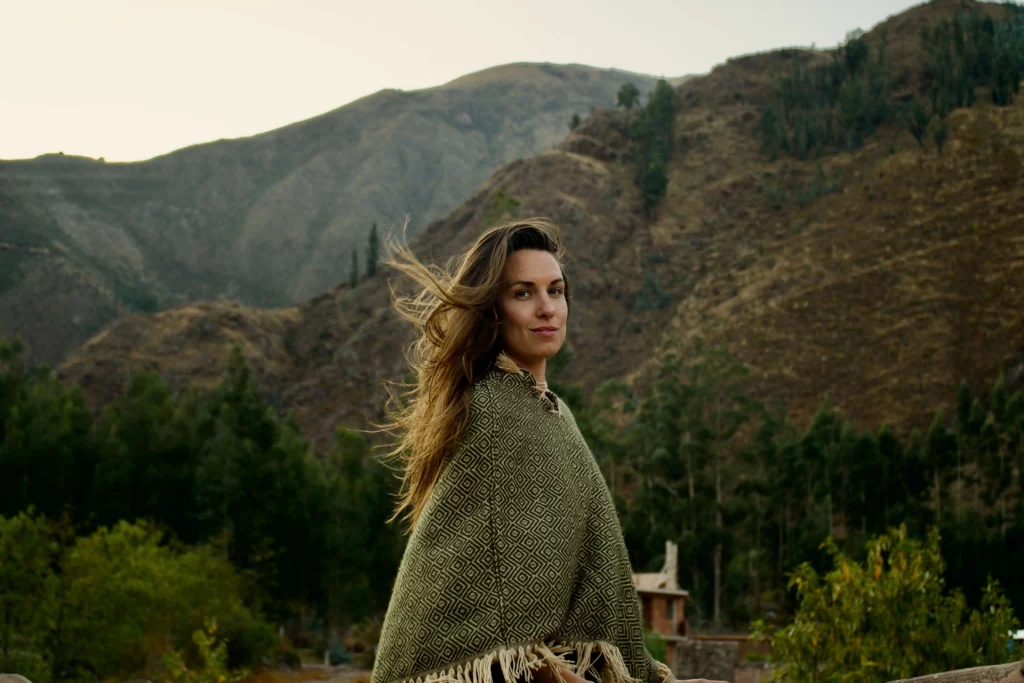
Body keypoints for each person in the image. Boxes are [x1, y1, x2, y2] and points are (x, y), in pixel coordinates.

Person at [369, 218, 722, 683]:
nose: (546, 309)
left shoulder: (553, 414)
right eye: (523, 293)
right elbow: (506, 643)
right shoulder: (495, 410)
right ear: (493, 310)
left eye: (555, 291)